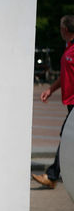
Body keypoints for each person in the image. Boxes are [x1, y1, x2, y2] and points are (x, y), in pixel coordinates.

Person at [32, 15, 74, 189]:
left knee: (67, 137)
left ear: (64, 29)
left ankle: (52, 176)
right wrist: (50, 90)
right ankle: (53, 175)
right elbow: (65, 76)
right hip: (70, 102)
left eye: (60, 27)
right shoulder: (68, 48)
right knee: (67, 138)